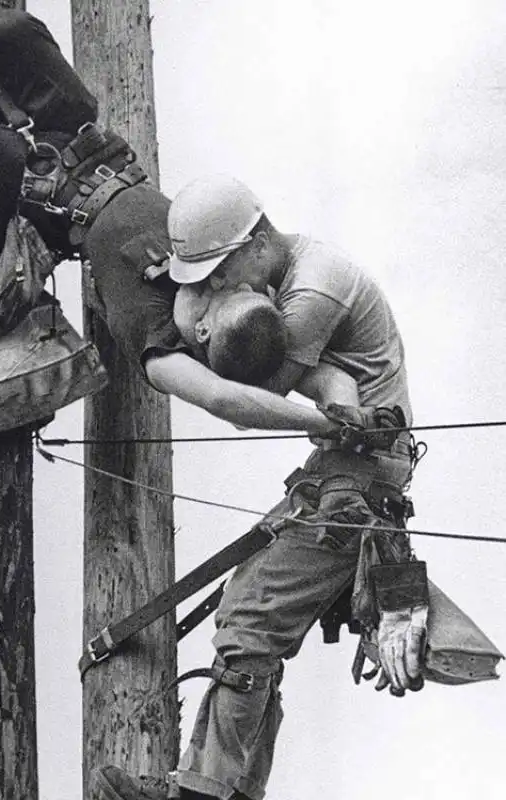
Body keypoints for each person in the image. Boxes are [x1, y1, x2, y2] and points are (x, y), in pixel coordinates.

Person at [91, 176, 429, 800]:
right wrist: (197, 295)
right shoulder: (286, 274)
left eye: (219, 272)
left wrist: (180, 327)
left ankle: (202, 792)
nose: (216, 286)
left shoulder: (311, 291)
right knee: (249, 608)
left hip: (356, 482)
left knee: (251, 621)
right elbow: (326, 383)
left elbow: (246, 395)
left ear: (255, 241)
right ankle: (226, 789)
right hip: (343, 475)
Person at [0, 5, 362, 440]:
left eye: (225, 297)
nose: (226, 283)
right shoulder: (239, 307)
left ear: (203, 332)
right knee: (8, 29)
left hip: (42, 189)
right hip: (88, 141)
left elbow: (226, 401)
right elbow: (330, 377)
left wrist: (313, 427)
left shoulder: (162, 344)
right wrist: (347, 418)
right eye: (243, 288)